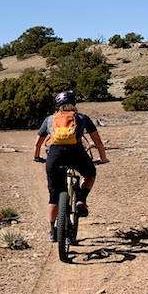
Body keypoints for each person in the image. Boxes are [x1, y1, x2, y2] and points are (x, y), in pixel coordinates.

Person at [33, 91, 109, 242]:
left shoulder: (50, 119)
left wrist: (36, 157)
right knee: (90, 174)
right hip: (77, 154)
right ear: (74, 104)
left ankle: (53, 231)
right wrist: (103, 158)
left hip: (54, 156)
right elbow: (98, 141)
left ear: (58, 105)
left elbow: (38, 143)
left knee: (54, 197)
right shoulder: (82, 118)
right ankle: (81, 199)